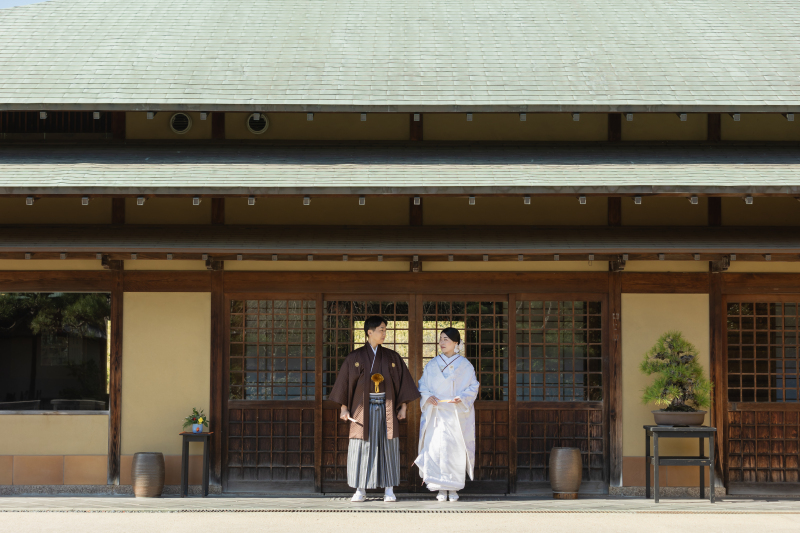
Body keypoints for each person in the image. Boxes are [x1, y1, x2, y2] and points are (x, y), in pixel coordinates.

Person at [329, 315, 420, 502]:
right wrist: (344, 409)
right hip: (362, 410)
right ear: (369, 332)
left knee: (388, 446)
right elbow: (345, 384)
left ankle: (389, 489)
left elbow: (403, 383)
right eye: (381, 329)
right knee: (361, 446)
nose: (384, 333)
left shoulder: (392, 357)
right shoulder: (354, 357)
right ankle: (360, 489)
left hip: (387, 408)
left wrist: (403, 407)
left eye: (385, 329)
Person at [414, 327, 480, 502]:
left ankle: (454, 487)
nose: (442, 343)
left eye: (446, 340)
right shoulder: (432, 364)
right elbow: (423, 385)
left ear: (456, 343)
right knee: (435, 449)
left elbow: (473, 387)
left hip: (456, 414)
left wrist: (462, 397)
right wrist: (428, 397)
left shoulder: (465, 365)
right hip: (436, 413)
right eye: (441, 339)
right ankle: (440, 488)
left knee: (454, 450)